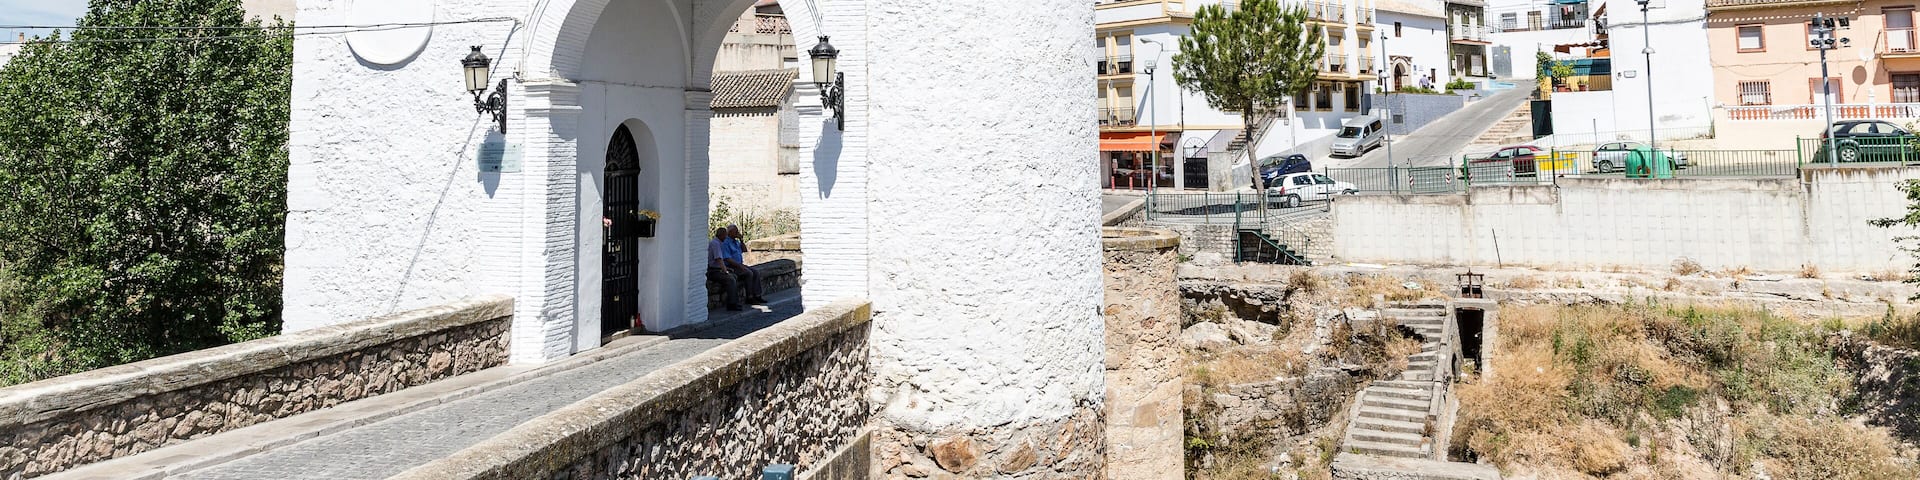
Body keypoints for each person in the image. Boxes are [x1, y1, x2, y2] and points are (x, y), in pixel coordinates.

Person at [723, 224, 765, 305]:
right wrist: (739, 266)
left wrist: (741, 240)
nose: (737, 233)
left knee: (755, 272)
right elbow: (727, 258)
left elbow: (744, 250)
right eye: (736, 231)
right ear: (730, 232)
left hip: (740, 264)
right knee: (748, 273)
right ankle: (749, 297)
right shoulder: (726, 242)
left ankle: (757, 295)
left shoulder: (736, 242)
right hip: (732, 266)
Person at [707, 227, 744, 311]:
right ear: (722, 235)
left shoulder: (719, 243)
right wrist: (725, 271)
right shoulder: (715, 244)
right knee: (730, 279)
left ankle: (734, 301)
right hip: (713, 270)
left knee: (734, 276)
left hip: (717, 268)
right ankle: (731, 304)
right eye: (725, 235)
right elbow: (719, 259)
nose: (726, 237)